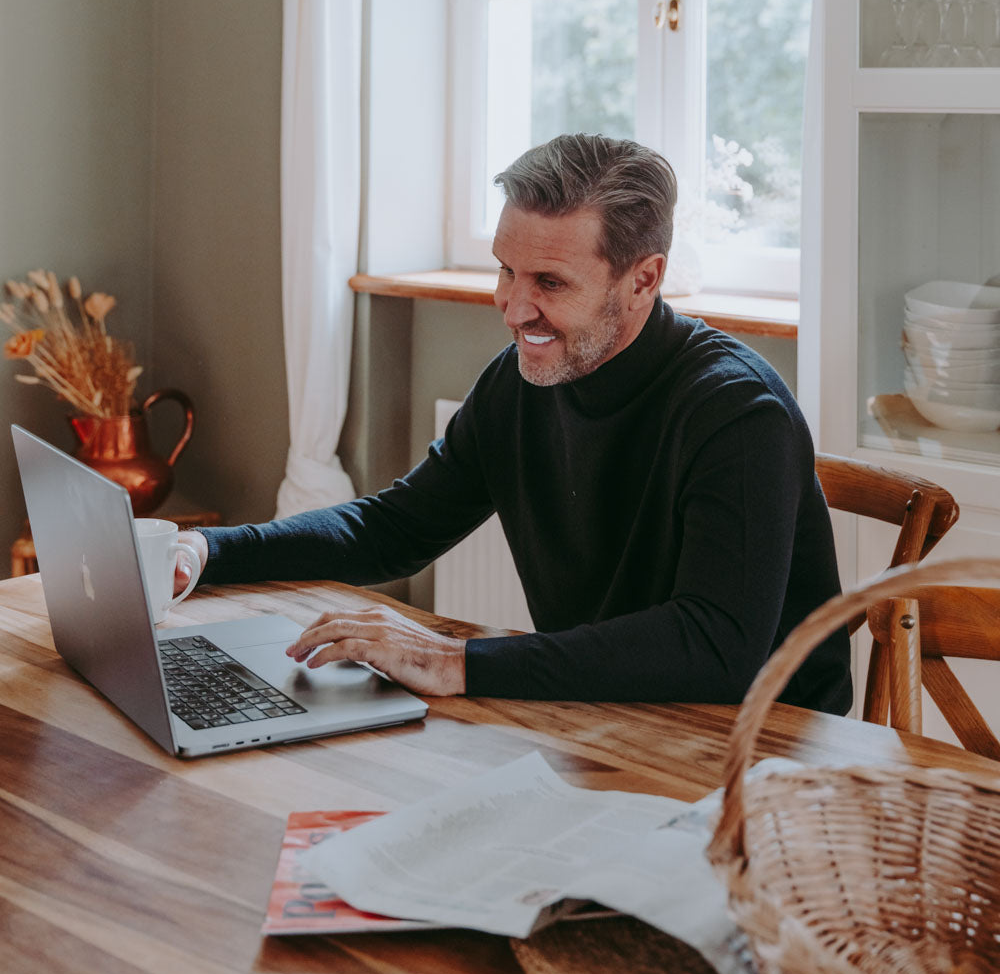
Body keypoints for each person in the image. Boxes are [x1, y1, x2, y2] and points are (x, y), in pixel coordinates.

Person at [176, 134, 851, 714]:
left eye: (550, 283)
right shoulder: (522, 380)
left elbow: (713, 648)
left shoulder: (736, 412)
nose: (513, 307)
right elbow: (395, 528)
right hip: (603, 717)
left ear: (644, 280)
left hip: (765, 761)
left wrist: (458, 662)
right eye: (506, 270)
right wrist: (210, 553)